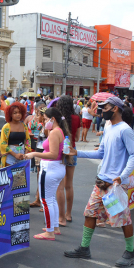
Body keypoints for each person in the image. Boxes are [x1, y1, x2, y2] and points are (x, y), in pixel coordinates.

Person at [65, 96, 134, 268]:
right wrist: (78, 153)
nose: (101, 110)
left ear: (115, 108)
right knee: (89, 213)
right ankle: (84, 248)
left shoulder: (125, 130)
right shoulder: (108, 127)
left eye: (104, 107)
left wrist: (122, 176)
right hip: (102, 182)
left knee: (122, 218)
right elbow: (101, 154)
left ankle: (130, 252)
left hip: (115, 185)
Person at [25, 107, 69, 240]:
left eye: (45, 119)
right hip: (55, 167)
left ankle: (50, 231)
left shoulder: (55, 132)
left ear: (52, 119)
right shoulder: (57, 131)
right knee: (50, 199)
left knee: (46, 200)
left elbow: (53, 154)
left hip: (50, 168)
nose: (44, 122)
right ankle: (54, 227)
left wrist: (34, 154)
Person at [56, 95, 81, 226]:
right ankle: (68, 214)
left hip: (59, 152)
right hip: (72, 151)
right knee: (69, 185)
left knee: (59, 186)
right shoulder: (77, 118)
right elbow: (77, 136)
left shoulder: (58, 119)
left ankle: (60, 217)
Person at [0, 102, 31, 167]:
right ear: (10, 114)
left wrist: (25, 154)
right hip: (10, 155)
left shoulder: (24, 126)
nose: (18, 115)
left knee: (20, 176)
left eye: (19, 112)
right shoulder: (6, 127)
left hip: (22, 155)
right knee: (10, 176)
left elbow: (28, 140)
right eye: (15, 113)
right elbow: (3, 144)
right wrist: (15, 154)